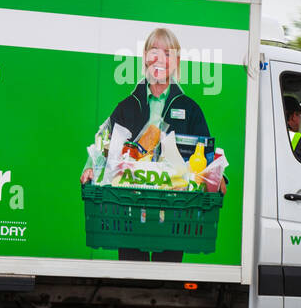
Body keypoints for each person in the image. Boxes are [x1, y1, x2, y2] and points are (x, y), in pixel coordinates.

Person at [82, 27, 214, 262]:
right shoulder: (127, 105)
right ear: (144, 57)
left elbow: (208, 156)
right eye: (154, 51)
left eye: (168, 53)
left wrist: (217, 178)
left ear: (177, 61)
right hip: (130, 213)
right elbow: (103, 143)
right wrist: (89, 168)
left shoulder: (190, 109)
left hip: (174, 215)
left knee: (168, 277)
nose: (160, 59)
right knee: (131, 275)